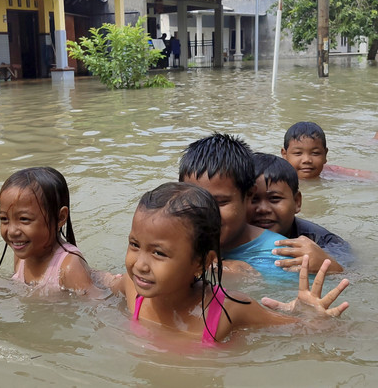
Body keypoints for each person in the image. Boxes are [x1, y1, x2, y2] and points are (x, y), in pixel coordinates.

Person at [105, 182, 349, 343]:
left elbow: (301, 330)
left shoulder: (229, 309)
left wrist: (310, 317)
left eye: (158, 253)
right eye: (135, 245)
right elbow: (97, 285)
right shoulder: (131, 288)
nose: (140, 265)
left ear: (202, 263)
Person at [0, 167, 95, 295]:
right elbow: (16, 290)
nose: (12, 231)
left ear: (60, 218)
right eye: (4, 219)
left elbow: (95, 308)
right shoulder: (22, 254)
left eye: (24, 219)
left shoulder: (69, 267)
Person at [178, 133, 292, 281]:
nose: (206, 214)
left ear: (249, 195)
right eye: (194, 201)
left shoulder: (280, 258)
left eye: (220, 203)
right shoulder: (173, 240)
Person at [247, 153, 351, 272]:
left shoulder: (324, 242)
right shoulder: (228, 235)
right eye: (253, 199)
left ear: (297, 202)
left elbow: (351, 276)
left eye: (275, 198)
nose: (263, 209)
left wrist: (329, 267)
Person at [281, 121, 377, 180]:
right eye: (298, 153)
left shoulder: (330, 172)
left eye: (315, 153)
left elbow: (369, 176)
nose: (307, 160)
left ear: (325, 155)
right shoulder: (276, 177)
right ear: (284, 155)